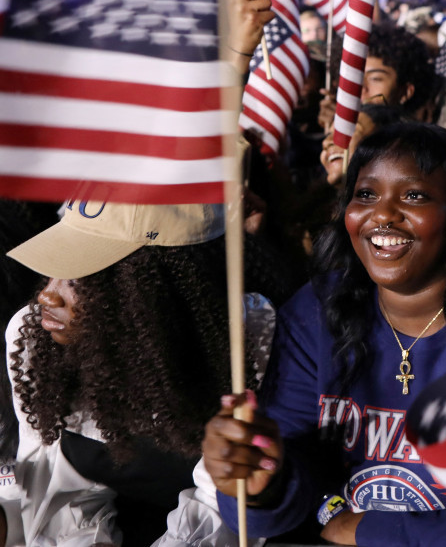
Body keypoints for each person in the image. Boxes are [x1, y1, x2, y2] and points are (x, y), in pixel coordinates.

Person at [201, 124, 446, 546]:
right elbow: (280, 504)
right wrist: (260, 484)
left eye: (414, 196)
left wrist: (374, 531)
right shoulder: (316, 311)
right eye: (366, 194)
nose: (382, 214)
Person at [1, 201, 270, 547]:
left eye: (80, 278)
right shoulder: (34, 340)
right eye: (56, 266)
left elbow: (221, 513)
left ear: (153, 287)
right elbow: (56, 500)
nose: (48, 294)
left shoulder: (241, 347)